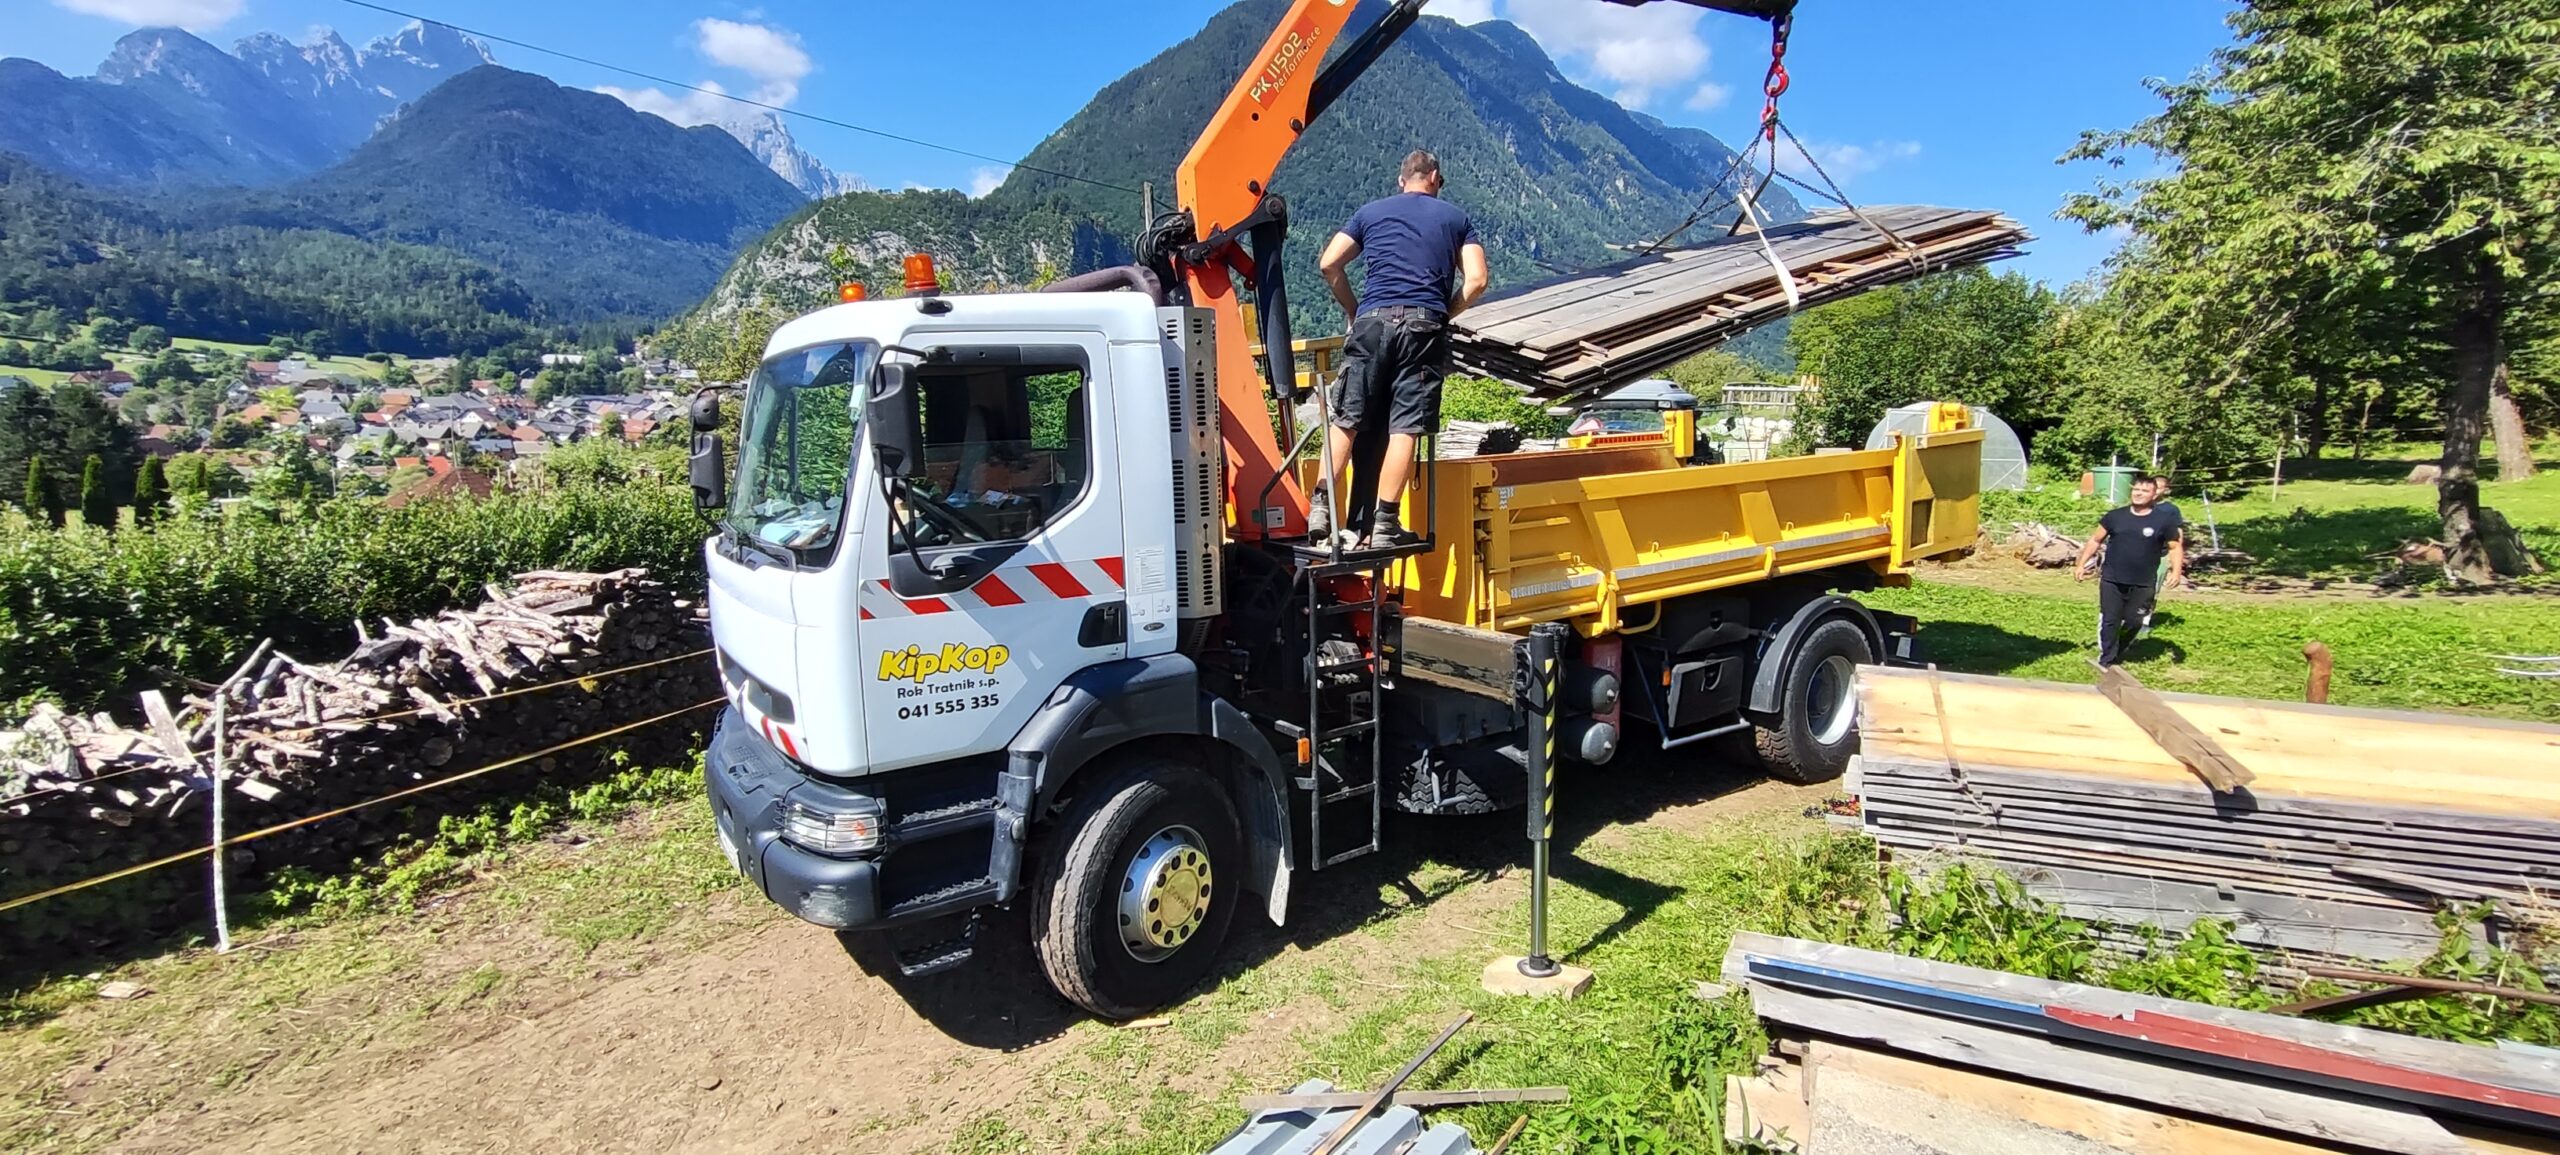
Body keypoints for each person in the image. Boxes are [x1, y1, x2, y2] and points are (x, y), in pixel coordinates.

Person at [1309, 149, 1489, 549]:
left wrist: (1354, 310)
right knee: (1404, 427)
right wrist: (1443, 311)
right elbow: (1477, 279)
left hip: (1372, 323)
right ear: (1435, 178)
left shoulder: (1370, 213)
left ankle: (1321, 507)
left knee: (1347, 419)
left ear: (1401, 180)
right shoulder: (1456, 219)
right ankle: (1385, 525)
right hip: (1423, 326)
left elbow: (1329, 264)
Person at [2075, 475, 2186, 666]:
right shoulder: (2115, 516)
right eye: (2136, 489)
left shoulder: (2164, 520)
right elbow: (2095, 540)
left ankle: (2119, 648)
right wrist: (2081, 564)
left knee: (2136, 620)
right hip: (2112, 578)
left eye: (2145, 491)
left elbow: (2175, 547)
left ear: (2154, 494)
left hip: (2144, 580)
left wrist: (2176, 571)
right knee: (2110, 619)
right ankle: (2107, 659)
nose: (2139, 494)